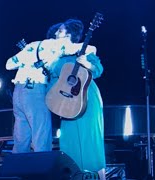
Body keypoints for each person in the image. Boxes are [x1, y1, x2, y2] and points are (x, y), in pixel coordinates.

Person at [5, 28, 95, 153]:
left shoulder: (33, 45)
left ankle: (18, 170)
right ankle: (42, 170)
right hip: (34, 91)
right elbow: (90, 48)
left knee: (21, 136)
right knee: (41, 135)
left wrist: (29, 60)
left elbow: (9, 64)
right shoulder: (59, 44)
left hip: (18, 92)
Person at [45, 19, 106, 179]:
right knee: (69, 142)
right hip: (65, 101)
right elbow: (52, 82)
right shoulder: (55, 57)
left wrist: (87, 63)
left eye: (61, 29)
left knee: (90, 141)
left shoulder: (84, 51)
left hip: (87, 98)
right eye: (56, 31)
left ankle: (100, 177)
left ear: (70, 33)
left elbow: (98, 70)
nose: (57, 32)